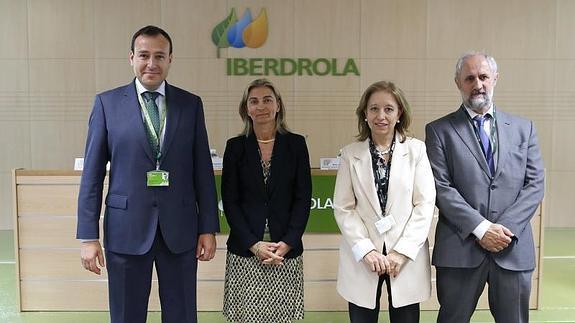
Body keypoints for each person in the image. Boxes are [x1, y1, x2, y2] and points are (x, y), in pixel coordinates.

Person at [76, 25, 219, 323]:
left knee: (181, 315)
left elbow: (202, 171)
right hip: (126, 229)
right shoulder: (107, 104)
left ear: (170, 60)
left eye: (159, 56)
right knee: (127, 315)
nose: (151, 63)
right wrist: (88, 236)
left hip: (179, 231)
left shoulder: (190, 105)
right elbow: (91, 175)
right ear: (131, 57)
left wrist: (208, 227)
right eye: (144, 55)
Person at [425, 52, 545, 323]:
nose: (477, 84)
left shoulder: (524, 129)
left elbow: (535, 183)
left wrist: (502, 230)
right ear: (458, 83)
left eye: (483, 77)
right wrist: (481, 229)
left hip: (512, 247)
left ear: (495, 79)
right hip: (460, 248)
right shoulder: (438, 131)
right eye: (469, 78)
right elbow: (441, 187)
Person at [333, 81, 436, 323]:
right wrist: (366, 250)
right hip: (363, 257)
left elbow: (425, 204)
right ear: (365, 114)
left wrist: (401, 253)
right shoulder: (350, 154)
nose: (381, 116)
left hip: (404, 257)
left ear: (399, 114)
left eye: (389, 109)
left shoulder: (416, 151)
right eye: (374, 109)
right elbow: (343, 207)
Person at [221, 78, 312, 323]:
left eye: (267, 100)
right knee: (246, 317)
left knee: (281, 317)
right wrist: (254, 244)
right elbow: (230, 202)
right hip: (246, 251)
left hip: (284, 253)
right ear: (246, 109)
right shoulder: (235, 147)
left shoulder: (296, 144)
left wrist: (288, 242)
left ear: (278, 105)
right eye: (254, 101)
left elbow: (303, 199)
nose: (261, 106)